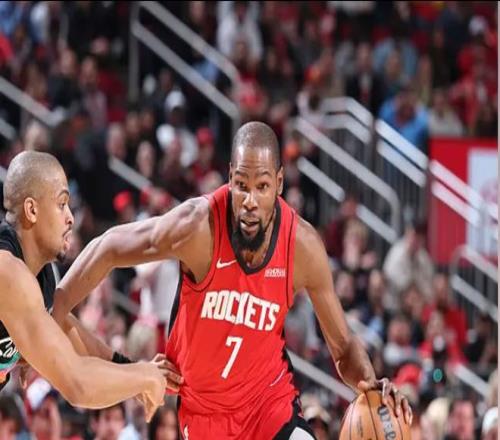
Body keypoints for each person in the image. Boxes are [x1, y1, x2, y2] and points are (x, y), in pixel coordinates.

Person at [54, 122, 412, 439]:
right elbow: (109, 247)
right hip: (203, 413)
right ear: (229, 178)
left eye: (262, 186)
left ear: (280, 183)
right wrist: (49, 315)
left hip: (268, 404)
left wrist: (371, 384)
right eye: (241, 185)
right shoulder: (197, 227)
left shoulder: (302, 247)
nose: (250, 200)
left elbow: (344, 347)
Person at [0, 151, 166, 420]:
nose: (71, 218)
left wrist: (131, 369)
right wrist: (143, 377)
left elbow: (74, 336)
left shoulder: (40, 277)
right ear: (32, 210)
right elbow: (77, 385)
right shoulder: (7, 271)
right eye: (61, 204)